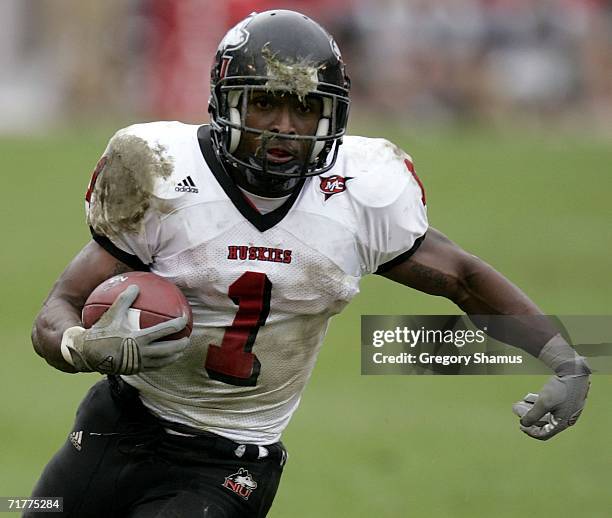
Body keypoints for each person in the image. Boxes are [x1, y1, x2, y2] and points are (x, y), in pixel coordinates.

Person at [29, 9, 590, 518]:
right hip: (117, 425)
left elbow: (464, 279)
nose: (283, 126)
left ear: (333, 114)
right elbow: (58, 309)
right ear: (226, 102)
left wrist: (565, 358)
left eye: (305, 107)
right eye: (265, 102)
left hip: (227, 464)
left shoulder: (359, 197)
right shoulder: (159, 174)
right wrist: (81, 345)